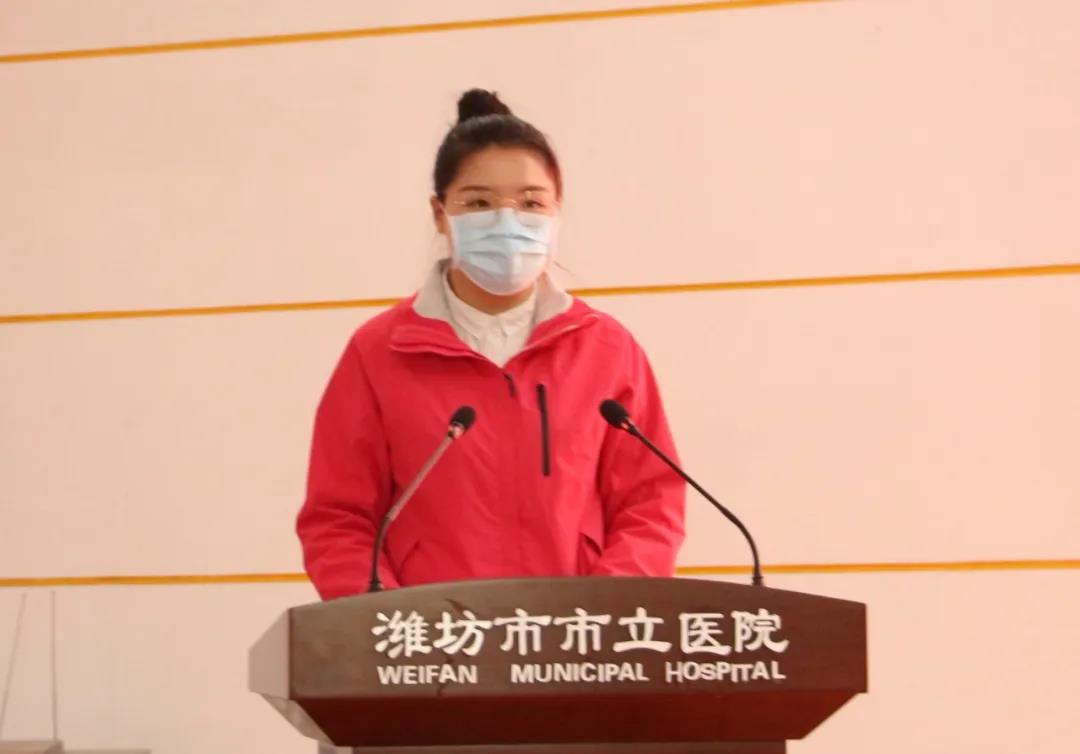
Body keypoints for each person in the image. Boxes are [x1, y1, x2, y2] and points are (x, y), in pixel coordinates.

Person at [297, 89, 685, 599]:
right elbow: (339, 519)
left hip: (575, 637)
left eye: (530, 203)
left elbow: (650, 505)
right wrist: (388, 623)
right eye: (479, 203)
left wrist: (599, 616)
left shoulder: (605, 348)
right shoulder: (380, 351)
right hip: (431, 639)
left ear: (556, 213)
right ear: (440, 213)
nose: (507, 221)